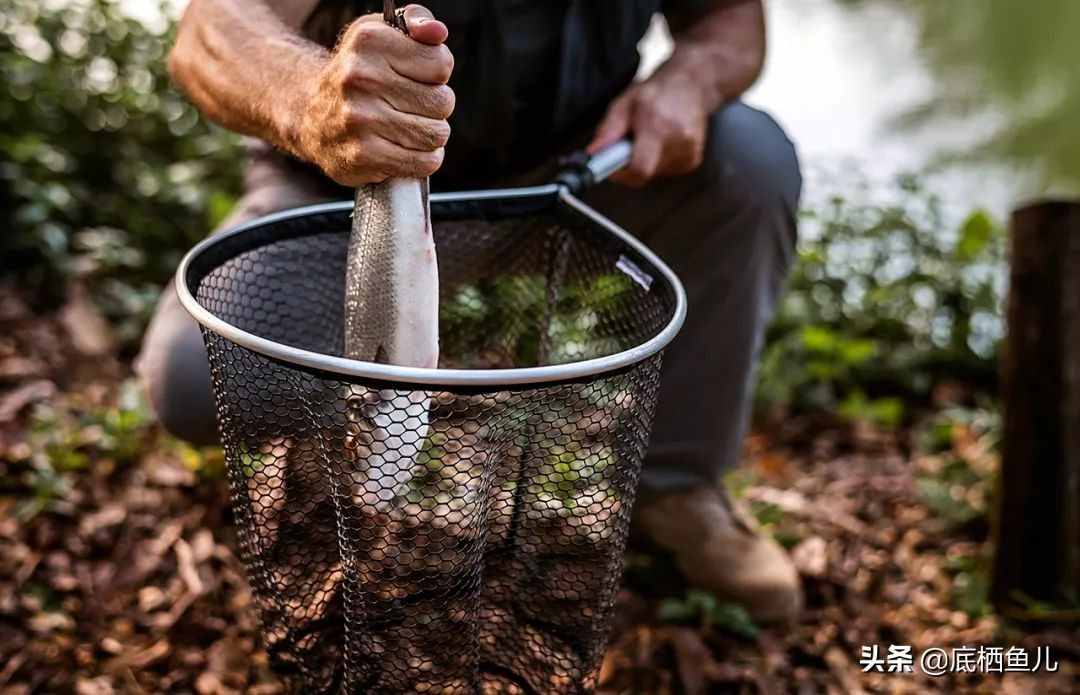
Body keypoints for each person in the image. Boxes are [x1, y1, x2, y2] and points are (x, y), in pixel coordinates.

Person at [141, 0, 804, 622]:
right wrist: (313, 98)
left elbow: (732, 21)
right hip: (350, 191)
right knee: (197, 377)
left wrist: (688, 80)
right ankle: (321, 450)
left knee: (750, 160)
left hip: (583, 177)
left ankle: (678, 490)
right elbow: (209, 32)